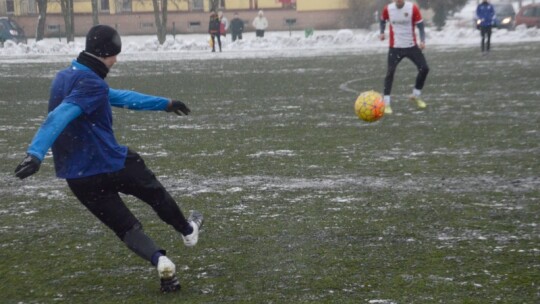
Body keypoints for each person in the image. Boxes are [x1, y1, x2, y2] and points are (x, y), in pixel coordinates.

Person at [13, 24, 204, 293]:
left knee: (125, 227)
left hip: (79, 177)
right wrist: (35, 153)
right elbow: (61, 114)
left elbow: (119, 97)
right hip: (114, 164)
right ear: (104, 54)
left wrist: (165, 103)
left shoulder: (65, 78)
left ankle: (162, 262)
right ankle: (187, 230)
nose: (116, 60)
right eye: (115, 54)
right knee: (155, 194)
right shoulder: (91, 84)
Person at [379, 0, 430, 114]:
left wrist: (422, 41)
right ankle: (386, 103)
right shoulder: (388, 9)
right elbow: (382, 20)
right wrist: (382, 32)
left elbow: (421, 26)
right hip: (395, 47)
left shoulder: (412, 8)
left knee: (424, 68)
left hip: (411, 46)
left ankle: (416, 95)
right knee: (390, 73)